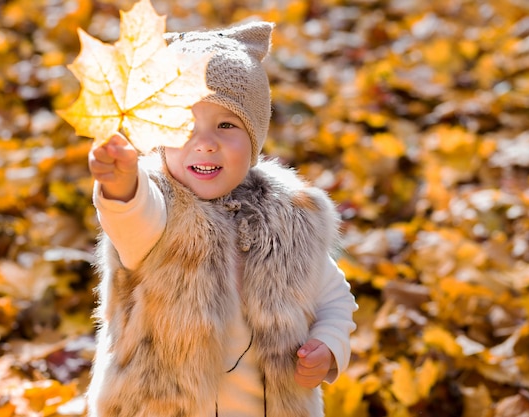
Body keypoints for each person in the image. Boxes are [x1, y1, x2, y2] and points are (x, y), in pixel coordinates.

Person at [86, 20, 357, 417]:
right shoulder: (159, 211)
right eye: (183, 125)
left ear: (255, 138)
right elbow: (131, 219)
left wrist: (329, 345)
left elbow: (333, 296)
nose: (205, 142)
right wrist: (122, 184)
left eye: (226, 125)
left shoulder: (290, 219)